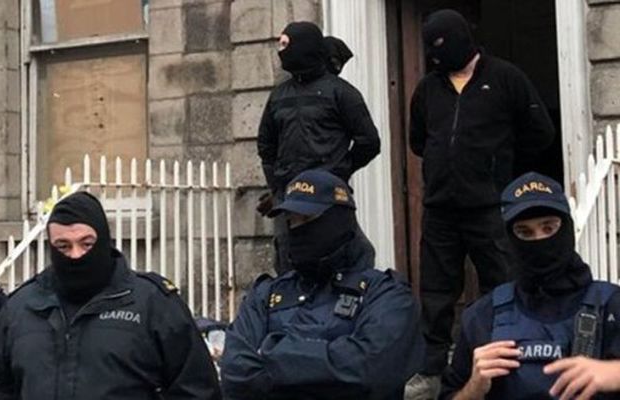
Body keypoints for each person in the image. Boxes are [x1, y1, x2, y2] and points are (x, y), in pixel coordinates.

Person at [407, 9, 555, 397]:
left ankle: (507, 362)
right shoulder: (428, 88)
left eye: (442, 46)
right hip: (440, 207)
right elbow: (419, 140)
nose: (436, 56)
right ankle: (432, 370)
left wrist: (500, 174)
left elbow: (539, 133)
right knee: (436, 291)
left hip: (491, 206)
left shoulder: (505, 77)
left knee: (502, 285)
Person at [0, 191, 221, 400]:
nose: (75, 255)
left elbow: (196, 387)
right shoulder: (22, 307)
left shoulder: (152, 303)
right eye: (63, 246)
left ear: (104, 240)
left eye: (86, 244)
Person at [221, 169, 424, 400]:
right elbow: (235, 371)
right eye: (291, 222)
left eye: (307, 220)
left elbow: (370, 371)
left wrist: (270, 352)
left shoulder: (386, 294)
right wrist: (326, 363)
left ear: (339, 220)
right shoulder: (266, 295)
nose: (297, 230)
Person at [440, 172, 620, 400]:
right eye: (524, 232)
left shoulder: (611, 306)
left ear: (566, 229)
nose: (539, 241)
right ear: (509, 239)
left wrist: (614, 373)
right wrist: (474, 388)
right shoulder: (483, 316)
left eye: (549, 228)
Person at [257, 21, 381, 274]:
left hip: (328, 200)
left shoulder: (341, 93)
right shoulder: (279, 96)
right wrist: (278, 187)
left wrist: (336, 174)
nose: (281, 51)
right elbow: (266, 146)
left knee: (346, 259)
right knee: (289, 265)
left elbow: (369, 141)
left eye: (285, 44)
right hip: (290, 200)